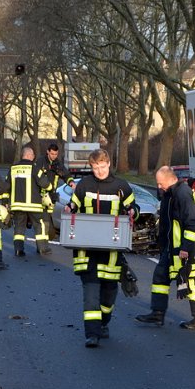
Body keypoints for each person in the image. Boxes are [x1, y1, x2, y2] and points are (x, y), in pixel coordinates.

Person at [65, 148, 138, 348]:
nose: (99, 171)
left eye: (102, 166)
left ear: (109, 164)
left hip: (112, 253)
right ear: (91, 167)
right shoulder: (84, 185)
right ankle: (92, 334)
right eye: (95, 167)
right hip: (86, 251)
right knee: (90, 295)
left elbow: (135, 209)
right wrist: (69, 208)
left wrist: (132, 211)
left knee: (108, 296)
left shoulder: (121, 186)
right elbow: (73, 204)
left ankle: (104, 322)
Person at [135, 166, 195, 331]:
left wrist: (186, 248)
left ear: (170, 179)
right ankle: (157, 314)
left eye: (160, 183)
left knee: (191, 282)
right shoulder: (171, 193)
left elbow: (192, 223)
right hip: (172, 248)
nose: (158, 187)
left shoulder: (182, 194)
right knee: (160, 276)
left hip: (187, 250)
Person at [6, 146, 52, 256]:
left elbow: (6, 186)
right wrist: (50, 188)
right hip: (33, 205)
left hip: (17, 205)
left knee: (19, 227)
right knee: (38, 226)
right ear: (28, 155)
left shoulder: (13, 168)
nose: (34, 157)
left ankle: (18, 250)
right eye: (32, 155)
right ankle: (42, 249)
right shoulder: (34, 168)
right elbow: (46, 184)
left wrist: (5, 202)